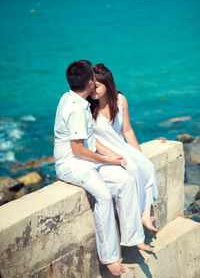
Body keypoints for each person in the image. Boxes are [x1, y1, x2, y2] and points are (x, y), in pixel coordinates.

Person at [54, 60, 153, 277]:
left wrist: (109, 157)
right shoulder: (77, 110)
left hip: (89, 161)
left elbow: (89, 142)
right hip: (73, 165)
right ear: (90, 82)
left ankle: (134, 238)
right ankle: (109, 258)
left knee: (125, 181)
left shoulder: (72, 98)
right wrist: (109, 160)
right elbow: (78, 150)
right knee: (104, 196)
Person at [88, 63, 159, 233]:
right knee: (132, 168)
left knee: (147, 165)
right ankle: (139, 215)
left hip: (120, 146)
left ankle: (145, 213)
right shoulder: (87, 106)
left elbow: (127, 130)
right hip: (100, 152)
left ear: (107, 84)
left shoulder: (120, 100)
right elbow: (91, 141)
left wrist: (138, 153)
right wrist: (113, 156)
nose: (92, 91)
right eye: (90, 86)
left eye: (96, 87)